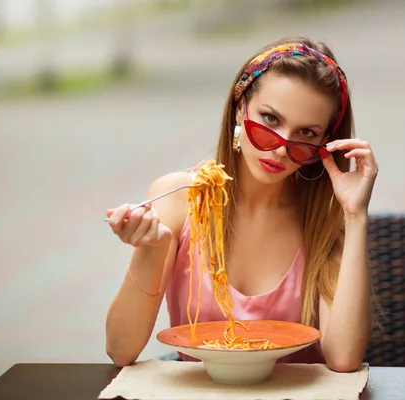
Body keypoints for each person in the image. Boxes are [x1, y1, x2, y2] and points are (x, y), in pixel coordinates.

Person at [104, 35, 379, 372]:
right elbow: (120, 349)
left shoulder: (323, 219)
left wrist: (355, 216)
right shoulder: (178, 199)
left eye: (306, 134)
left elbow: (344, 357)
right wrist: (151, 249)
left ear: (325, 144)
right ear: (239, 107)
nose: (281, 148)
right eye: (270, 120)